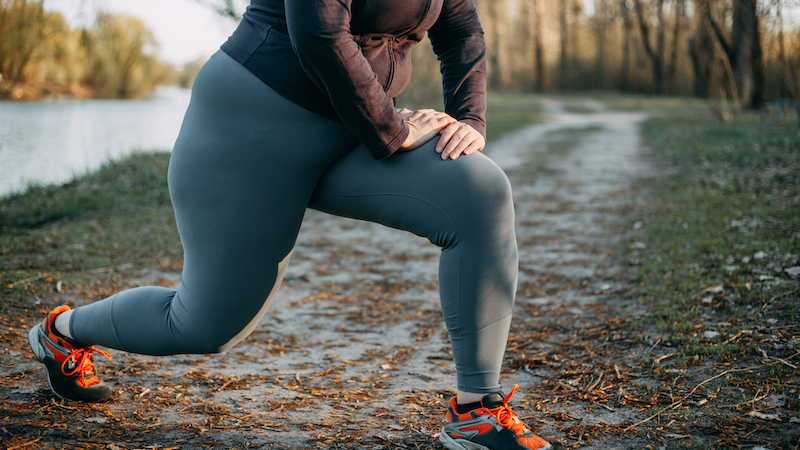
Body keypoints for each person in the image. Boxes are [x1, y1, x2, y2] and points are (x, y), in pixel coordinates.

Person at [27, 1, 553, 449]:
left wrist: (469, 121)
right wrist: (391, 129)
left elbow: (460, 29)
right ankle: (63, 332)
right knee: (205, 325)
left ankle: (475, 413)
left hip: (356, 128)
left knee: (477, 192)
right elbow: (319, 30)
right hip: (252, 126)